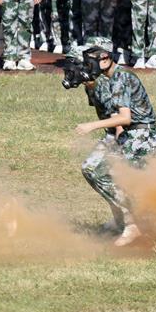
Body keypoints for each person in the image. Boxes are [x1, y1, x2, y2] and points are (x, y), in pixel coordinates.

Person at [75, 39, 156, 251]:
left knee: (137, 187)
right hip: (132, 135)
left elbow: (124, 118)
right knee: (97, 170)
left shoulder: (121, 78)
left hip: (142, 136)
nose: (88, 66)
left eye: (90, 62)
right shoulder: (110, 78)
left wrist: (91, 126)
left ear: (106, 59)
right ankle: (130, 222)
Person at [60, 41, 124, 232]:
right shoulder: (91, 83)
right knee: (94, 172)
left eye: (74, 63)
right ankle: (121, 220)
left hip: (124, 137)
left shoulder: (102, 84)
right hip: (112, 135)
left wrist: (120, 153)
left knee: (99, 171)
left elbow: (119, 120)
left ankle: (130, 221)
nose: (70, 69)